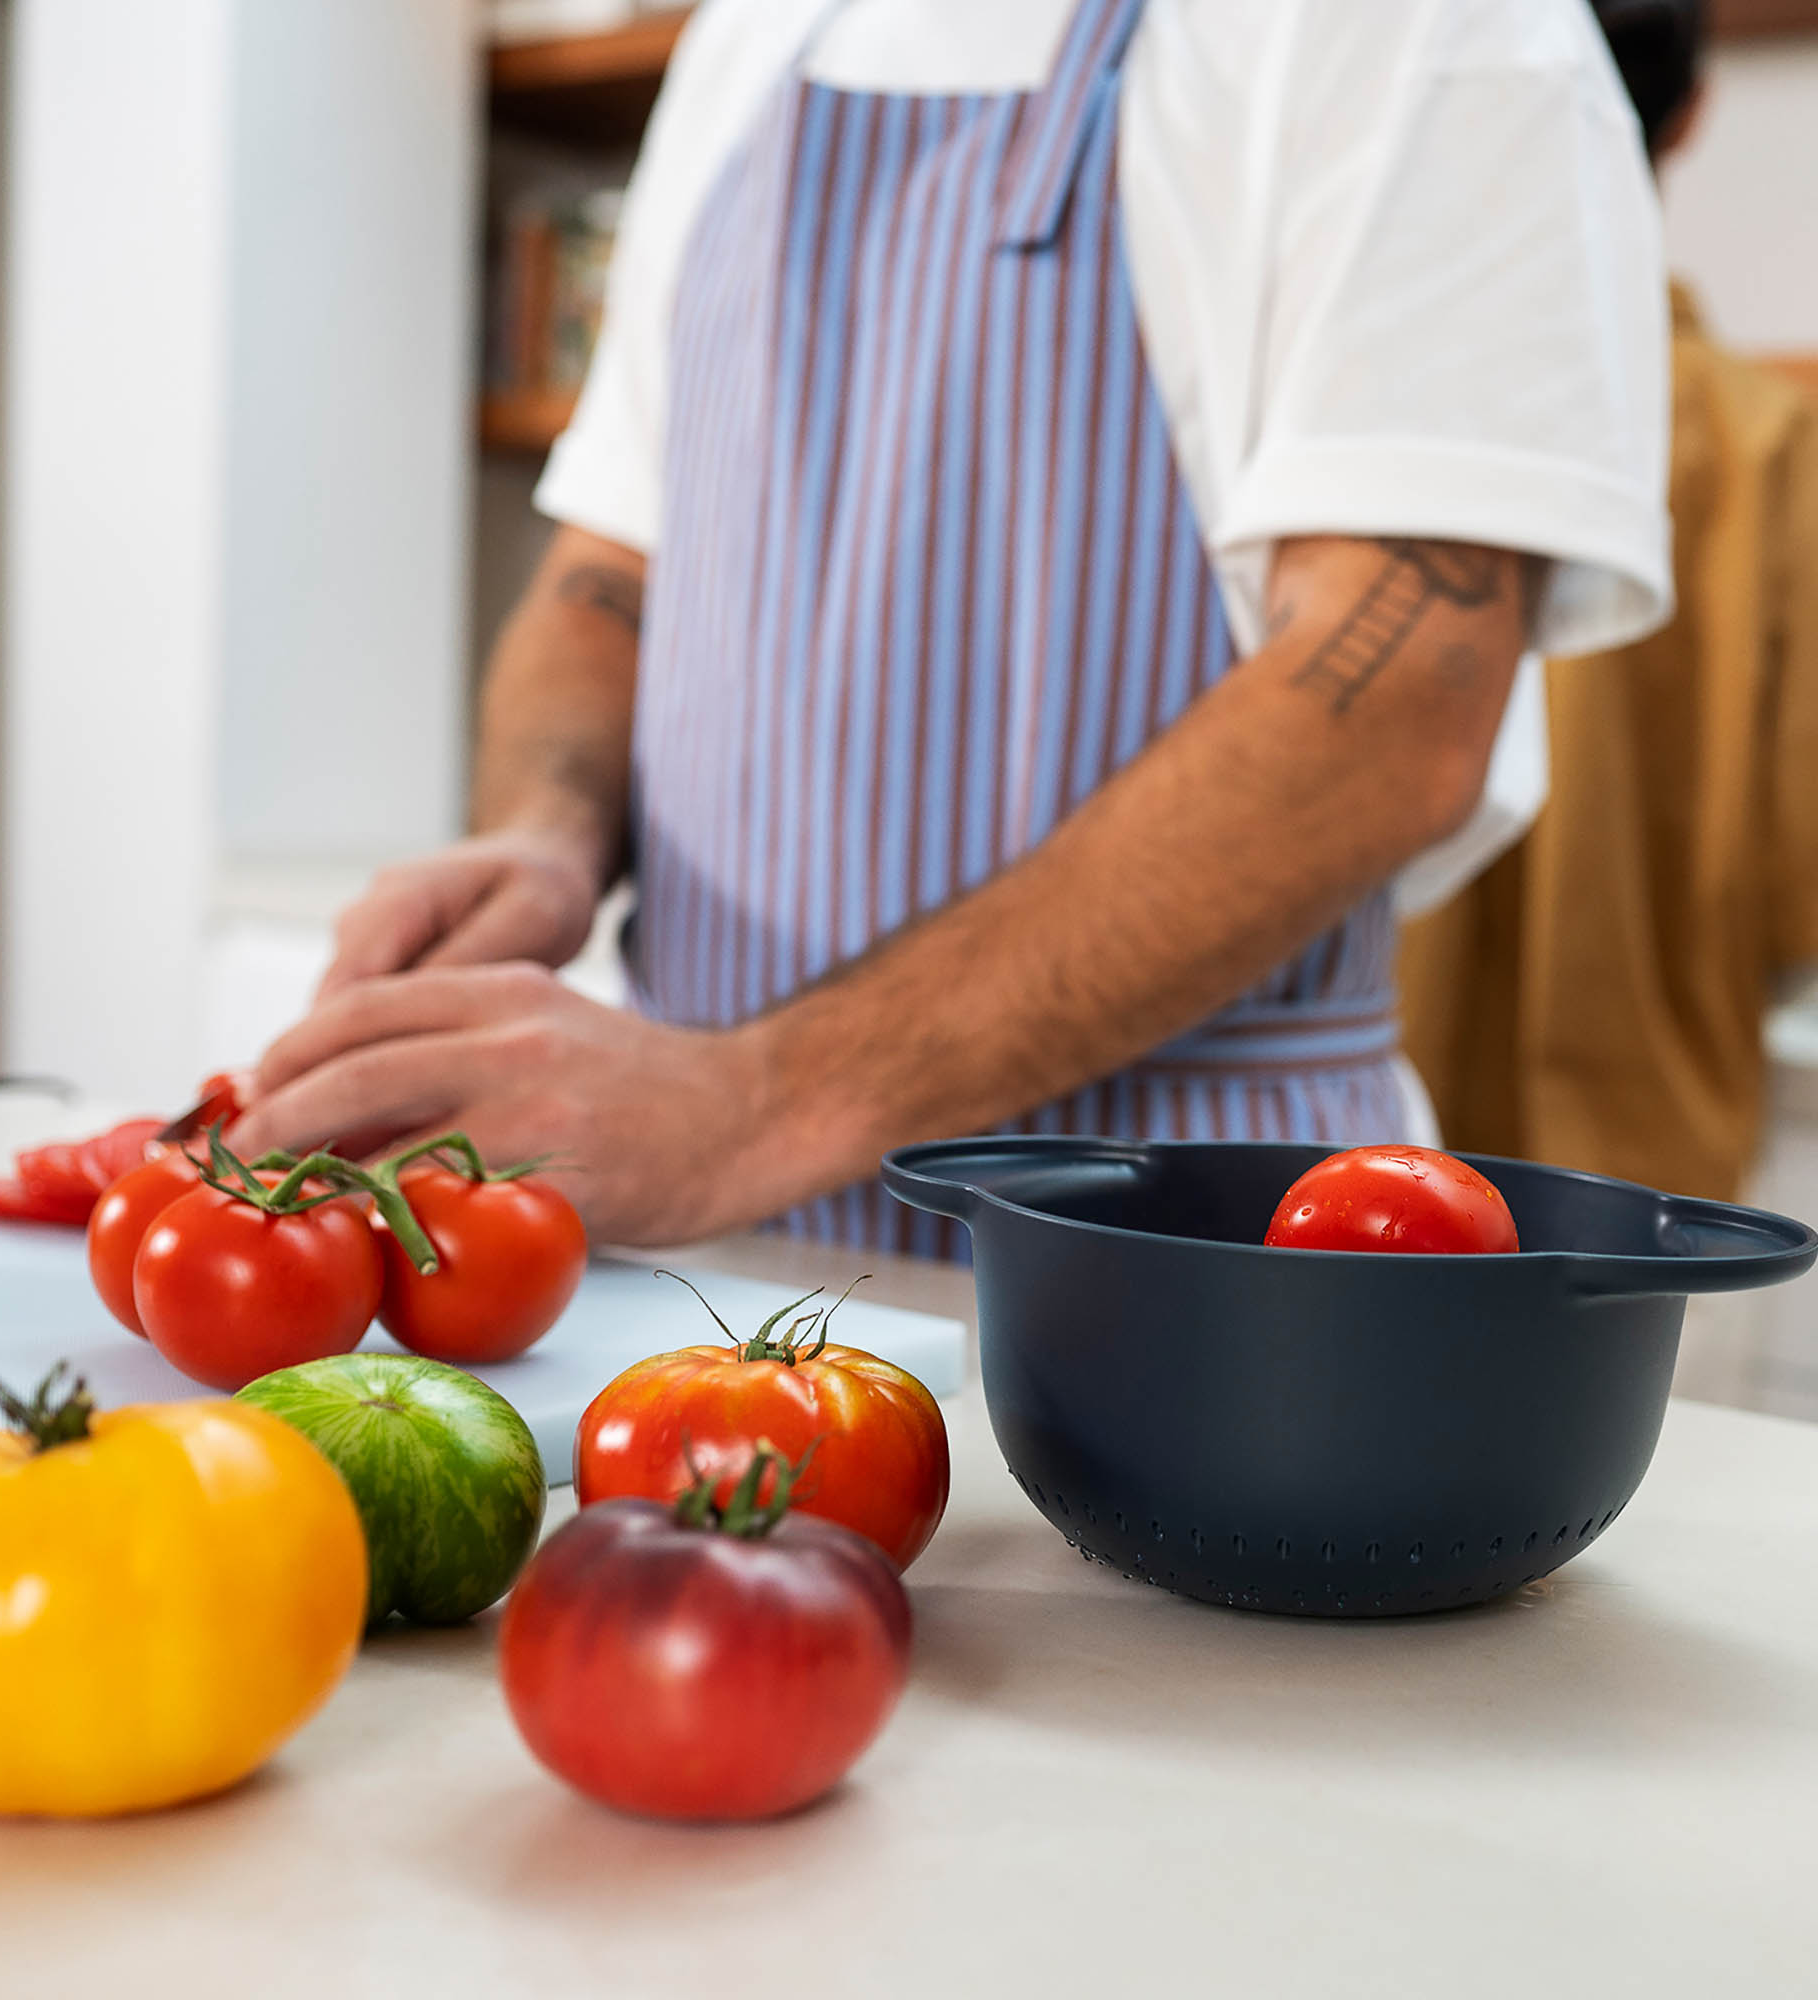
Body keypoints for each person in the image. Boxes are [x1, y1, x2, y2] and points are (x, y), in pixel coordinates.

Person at [231, 0, 1672, 1250]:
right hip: (699, 1251)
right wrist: (545, 837)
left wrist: (754, 1106)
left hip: (1173, 1250)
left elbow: (1398, 704)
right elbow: (607, 572)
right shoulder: (756, 36)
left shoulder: (1439, 37)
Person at [1399, 0, 1818, 1201]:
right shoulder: (1766, 443)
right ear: (1688, 115)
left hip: (1367, 1139)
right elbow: (1799, 872)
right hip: (1640, 1153)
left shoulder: (1395, 424)